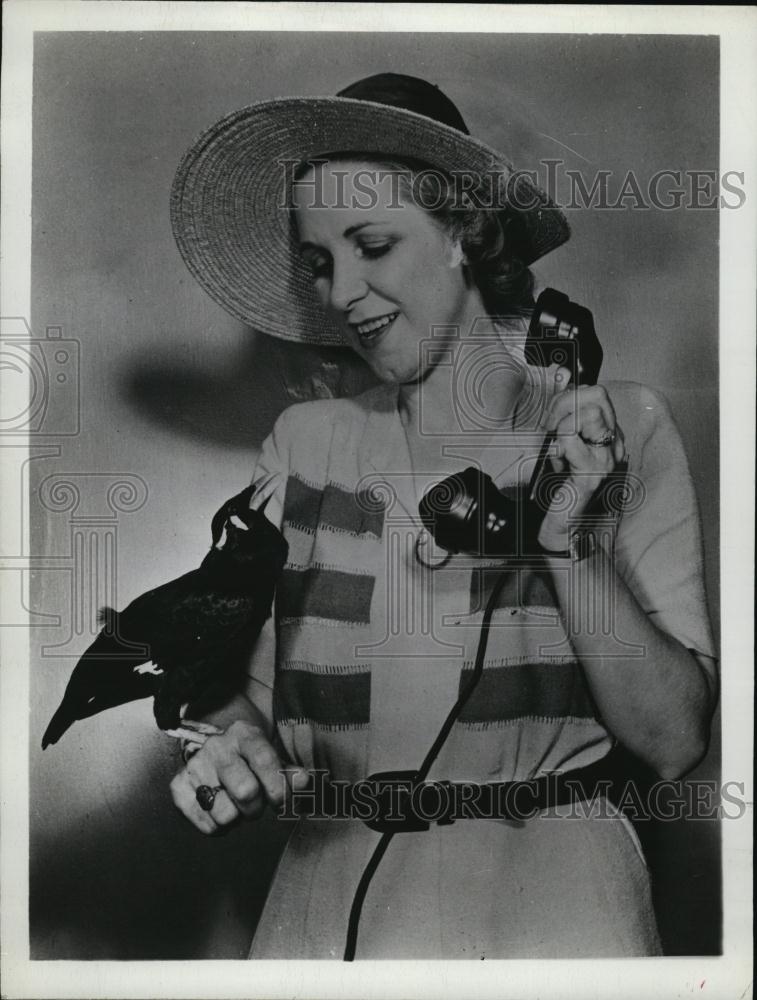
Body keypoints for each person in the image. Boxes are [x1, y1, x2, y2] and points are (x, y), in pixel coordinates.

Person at [168, 73, 718, 959]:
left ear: (465, 232)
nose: (342, 291)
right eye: (319, 261)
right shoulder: (305, 445)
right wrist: (227, 750)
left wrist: (563, 540)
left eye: (372, 244)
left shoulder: (616, 426)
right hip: (324, 901)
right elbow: (251, 701)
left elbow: (671, 740)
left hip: (555, 908)